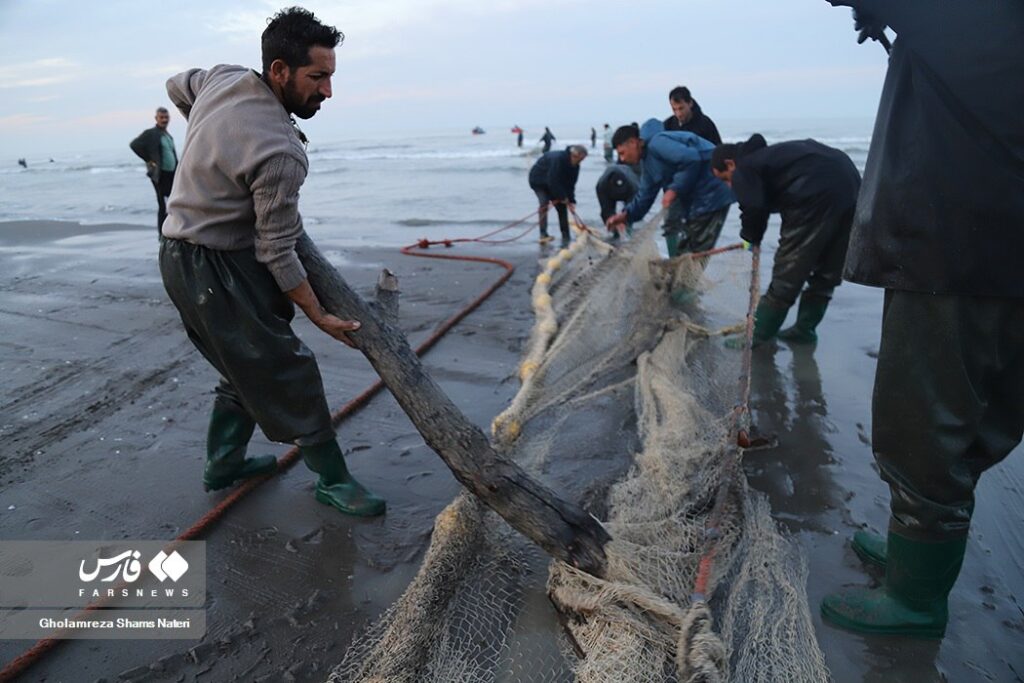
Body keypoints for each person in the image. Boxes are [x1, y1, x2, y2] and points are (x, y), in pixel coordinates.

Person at [819, 0, 1024, 639]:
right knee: (986, 412)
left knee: (923, 419)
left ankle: (914, 597)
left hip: (955, 243)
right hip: (1002, 236)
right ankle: (917, 540)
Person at [159, 7, 385, 517]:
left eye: (330, 76)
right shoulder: (281, 150)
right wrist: (318, 314)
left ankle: (224, 465)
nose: (327, 92)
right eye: (317, 77)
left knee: (240, 365)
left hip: (175, 256)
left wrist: (211, 131)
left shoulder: (222, 79)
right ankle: (332, 480)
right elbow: (276, 250)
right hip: (215, 270)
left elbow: (176, 84)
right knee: (289, 370)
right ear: (279, 70)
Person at [711, 135, 861, 347]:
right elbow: (759, 202)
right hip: (851, 185)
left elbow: (753, 206)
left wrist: (750, 239)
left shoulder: (744, 168)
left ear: (730, 163)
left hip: (812, 194)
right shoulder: (767, 158)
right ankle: (804, 330)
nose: (729, 185)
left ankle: (758, 336)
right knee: (828, 271)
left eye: (724, 178)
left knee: (788, 273)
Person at [605, 120, 734, 256]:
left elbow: (692, 159)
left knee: (696, 250)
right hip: (697, 202)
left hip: (713, 192)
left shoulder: (658, 143)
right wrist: (626, 215)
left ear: (633, 142)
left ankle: (686, 276)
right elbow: (645, 196)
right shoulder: (647, 164)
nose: (622, 159)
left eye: (622, 153)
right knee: (686, 251)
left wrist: (674, 189)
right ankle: (682, 274)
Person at [130, 107, 178, 235]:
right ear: (156, 118)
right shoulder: (151, 133)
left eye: (166, 117)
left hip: (171, 173)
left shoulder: (167, 135)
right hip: (159, 175)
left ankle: (173, 230)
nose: (164, 120)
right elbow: (134, 145)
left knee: (175, 203)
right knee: (163, 205)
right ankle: (162, 235)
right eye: (161, 117)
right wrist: (148, 159)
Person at [528, 144, 587, 248]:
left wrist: (571, 201)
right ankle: (543, 234)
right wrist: (563, 197)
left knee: (562, 207)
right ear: (574, 155)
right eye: (580, 159)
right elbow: (553, 181)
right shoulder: (558, 160)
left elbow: (571, 185)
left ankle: (566, 236)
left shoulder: (576, 166)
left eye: (582, 160)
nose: (580, 162)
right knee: (544, 203)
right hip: (538, 180)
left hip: (553, 183)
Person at [595, 163, 639, 241]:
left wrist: (624, 219)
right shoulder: (601, 186)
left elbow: (632, 207)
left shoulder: (634, 186)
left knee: (629, 216)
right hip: (608, 191)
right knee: (608, 216)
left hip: (629, 187)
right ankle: (614, 234)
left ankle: (628, 234)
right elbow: (605, 209)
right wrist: (610, 219)